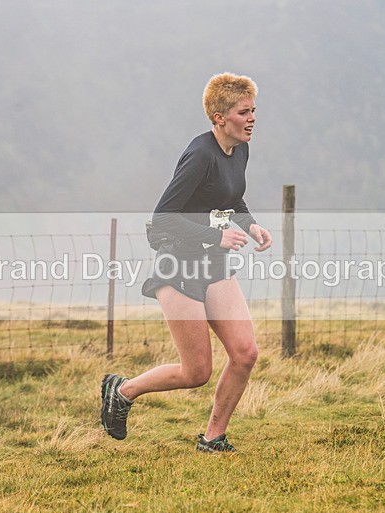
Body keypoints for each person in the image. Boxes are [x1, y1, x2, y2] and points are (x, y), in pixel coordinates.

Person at [101, 73, 272, 453]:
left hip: (213, 265)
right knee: (196, 372)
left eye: (253, 110)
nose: (252, 119)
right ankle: (123, 391)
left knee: (245, 353)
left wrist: (251, 225)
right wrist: (216, 235)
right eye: (244, 112)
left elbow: (232, 200)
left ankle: (213, 438)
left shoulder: (240, 149)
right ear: (218, 117)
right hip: (177, 266)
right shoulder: (199, 154)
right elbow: (164, 216)